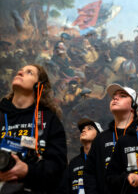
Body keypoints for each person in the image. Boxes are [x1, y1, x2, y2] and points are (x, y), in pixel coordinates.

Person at [0, 64, 67, 193]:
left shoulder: (49, 119)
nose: (20, 72)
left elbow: (58, 167)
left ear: (39, 86)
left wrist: (27, 170)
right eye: (20, 70)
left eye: (29, 72)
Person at [84, 84, 138, 194]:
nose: (115, 98)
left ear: (133, 105)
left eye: (122, 96)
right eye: (114, 96)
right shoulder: (101, 138)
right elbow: (89, 173)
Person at [68, 118, 103, 194]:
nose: (83, 130)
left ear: (99, 135)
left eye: (89, 128)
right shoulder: (73, 163)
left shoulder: (103, 160)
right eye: (83, 129)